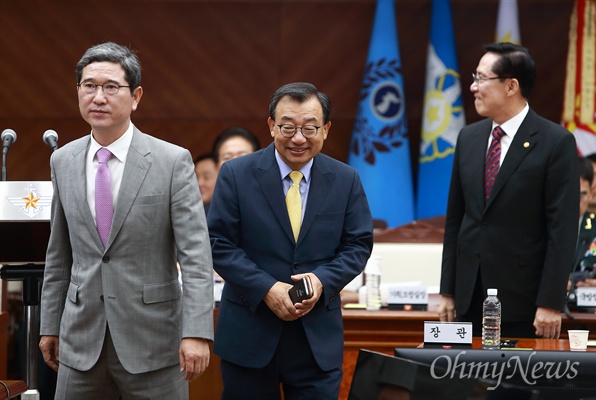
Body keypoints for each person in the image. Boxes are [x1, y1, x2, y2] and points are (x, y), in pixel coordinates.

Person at [38, 42, 214, 400]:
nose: (98, 97)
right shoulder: (63, 160)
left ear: (135, 96)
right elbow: (59, 253)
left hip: (153, 344)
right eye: (89, 86)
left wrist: (196, 332)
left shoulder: (172, 161)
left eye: (110, 87)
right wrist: (49, 325)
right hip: (80, 341)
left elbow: (196, 255)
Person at [207, 82, 373, 399]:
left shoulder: (345, 179)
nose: (298, 138)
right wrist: (267, 289)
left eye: (310, 128)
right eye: (287, 127)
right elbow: (219, 244)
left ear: (325, 129)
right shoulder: (236, 174)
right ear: (271, 126)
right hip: (249, 334)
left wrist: (323, 280)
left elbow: (358, 245)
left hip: (316, 341)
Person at [438, 42, 579, 339]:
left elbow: (562, 231)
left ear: (511, 85)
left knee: (515, 385)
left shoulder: (556, 142)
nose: (473, 87)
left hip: (523, 303)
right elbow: (456, 220)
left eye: (481, 78)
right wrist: (447, 291)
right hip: (468, 298)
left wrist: (551, 302)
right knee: (463, 384)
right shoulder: (469, 138)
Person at [571, 156, 596, 289]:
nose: (576, 201)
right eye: (571, 193)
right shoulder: (536, 226)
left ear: (591, 192)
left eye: (582, 194)